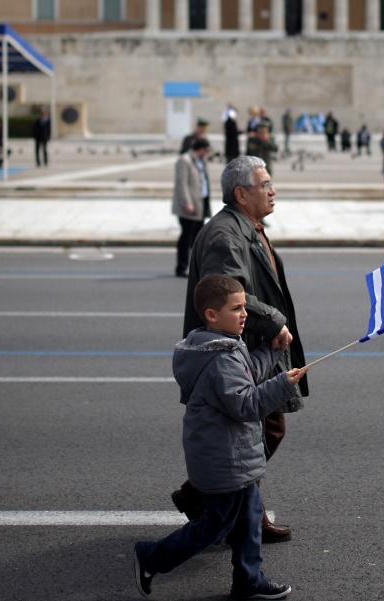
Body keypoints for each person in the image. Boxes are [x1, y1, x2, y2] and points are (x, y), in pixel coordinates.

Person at [134, 274, 306, 600]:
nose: (244, 314)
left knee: (249, 520)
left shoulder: (220, 344)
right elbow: (246, 403)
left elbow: (246, 374)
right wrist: (283, 384)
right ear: (212, 314)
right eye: (236, 308)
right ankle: (151, 557)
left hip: (234, 454)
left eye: (244, 307)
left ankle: (249, 581)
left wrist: (271, 353)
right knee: (217, 524)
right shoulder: (221, 357)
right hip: (224, 458)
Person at [172, 156, 309, 545]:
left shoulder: (246, 226)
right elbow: (230, 292)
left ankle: (217, 502)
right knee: (266, 427)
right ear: (240, 193)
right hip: (234, 353)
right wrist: (274, 322)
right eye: (264, 184)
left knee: (258, 430)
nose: (272, 189)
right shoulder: (225, 236)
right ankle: (233, 511)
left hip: (249, 347)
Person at [172, 138, 212, 278]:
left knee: (198, 238)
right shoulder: (184, 161)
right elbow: (181, 184)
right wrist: (186, 203)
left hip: (200, 203)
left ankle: (196, 266)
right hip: (189, 206)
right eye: (206, 151)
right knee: (186, 237)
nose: (206, 154)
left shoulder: (200, 161)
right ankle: (181, 267)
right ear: (201, 149)